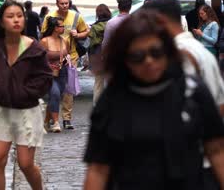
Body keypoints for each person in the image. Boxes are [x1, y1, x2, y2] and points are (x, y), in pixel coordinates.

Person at [83, 11, 224, 190]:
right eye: (138, 56)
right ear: (124, 58)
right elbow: (98, 169)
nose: (149, 61)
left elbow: (217, 149)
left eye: (156, 53)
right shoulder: (113, 100)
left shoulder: (192, 90)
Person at [0, 1, 52, 190]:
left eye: (19, 16)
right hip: (2, 111)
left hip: (28, 112)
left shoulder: (34, 48)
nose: (16, 20)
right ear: (2, 22)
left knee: (26, 164)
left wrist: (25, 92)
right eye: (10, 16)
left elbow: (45, 78)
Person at [41, 0, 90, 129]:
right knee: (54, 91)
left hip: (70, 56)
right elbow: (44, 34)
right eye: (62, 3)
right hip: (52, 58)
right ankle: (52, 119)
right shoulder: (49, 17)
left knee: (68, 89)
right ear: (57, 4)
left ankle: (66, 119)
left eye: (66, 3)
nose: (64, 5)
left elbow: (86, 32)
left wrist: (78, 34)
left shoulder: (76, 16)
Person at [40, 17, 70, 133]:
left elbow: (67, 54)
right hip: (48, 73)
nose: (63, 28)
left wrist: (66, 61)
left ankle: (46, 122)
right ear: (55, 28)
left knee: (55, 96)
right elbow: (39, 57)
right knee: (55, 93)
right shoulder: (44, 41)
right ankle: (56, 123)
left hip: (62, 72)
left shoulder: (65, 41)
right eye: (61, 26)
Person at [88, 4, 112, 104]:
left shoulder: (94, 27)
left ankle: (97, 106)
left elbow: (92, 43)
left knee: (98, 83)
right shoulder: (112, 24)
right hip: (111, 55)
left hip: (98, 57)